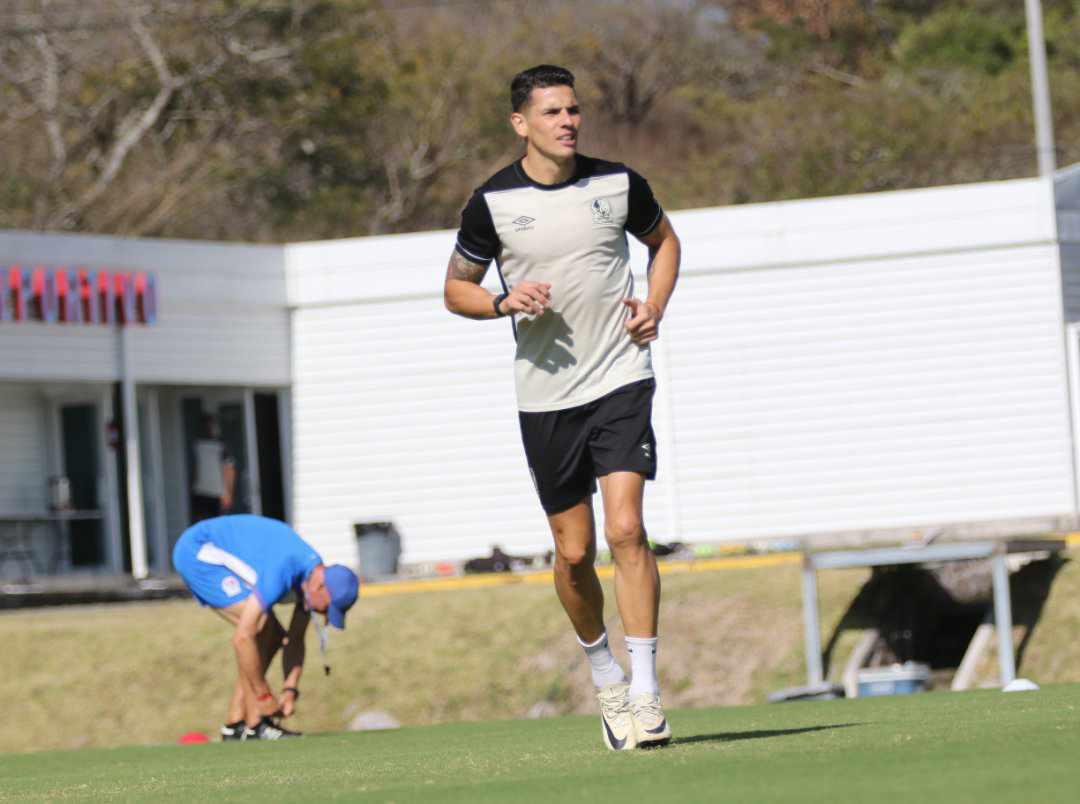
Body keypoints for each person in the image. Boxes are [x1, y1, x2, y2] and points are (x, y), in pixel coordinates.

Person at [444, 65, 681, 750]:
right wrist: (501, 301)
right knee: (574, 554)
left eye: (573, 109)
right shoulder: (492, 203)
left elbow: (665, 243)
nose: (568, 121)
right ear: (521, 123)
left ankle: (646, 690)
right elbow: (455, 289)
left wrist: (654, 304)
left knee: (627, 529)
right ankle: (605, 673)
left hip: (621, 377)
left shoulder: (619, 184)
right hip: (546, 396)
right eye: (552, 112)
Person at [172, 514, 359, 740]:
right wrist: (264, 696)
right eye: (327, 608)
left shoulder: (311, 581)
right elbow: (242, 638)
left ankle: (235, 724)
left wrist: (290, 689)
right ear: (320, 586)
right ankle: (256, 724)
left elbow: (295, 639)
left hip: (211, 550)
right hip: (198, 551)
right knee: (259, 628)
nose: (325, 616)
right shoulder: (285, 569)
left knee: (272, 634)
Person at [189, 413, 236, 523]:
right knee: (204, 524)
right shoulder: (197, 444)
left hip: (216, 494)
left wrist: (228, 493)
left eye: (212, 425)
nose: (210, 429)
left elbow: (229, 469)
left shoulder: (221, 446)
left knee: (216, 524)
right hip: (201, 492)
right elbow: (195, 468)